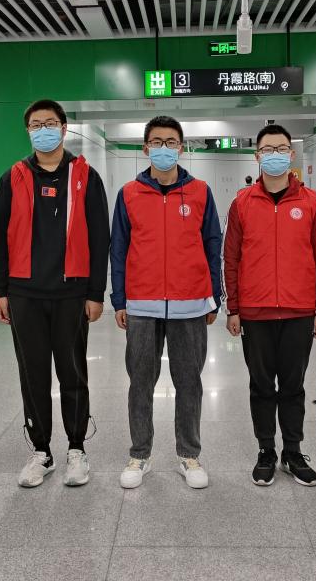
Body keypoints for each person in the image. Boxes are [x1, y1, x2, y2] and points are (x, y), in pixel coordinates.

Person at [0, 99, 110, 488]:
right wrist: (1, 290)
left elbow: (100, 237)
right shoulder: (13, 177)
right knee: (33, 375)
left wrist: (96, 292)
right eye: (36, 124)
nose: (44, 129)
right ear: (28, 131)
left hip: (72, 293)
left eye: (50, 123)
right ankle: (41, 451)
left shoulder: (85, 176)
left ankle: (77, 448)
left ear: (63, 128)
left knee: (73, 373)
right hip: (24, 294)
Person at [111, 115, 222, 490]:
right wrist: (119, 299)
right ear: (146, 148)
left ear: (181, 147)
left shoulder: (201, 191)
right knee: (140, 382)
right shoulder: (129, 194)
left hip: (190, 302)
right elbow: (118, 248)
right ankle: (139, 454)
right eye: (157, 142)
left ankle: (189, 454)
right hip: (141, 303)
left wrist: (213, 296)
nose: (164, 148)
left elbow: (213, 245)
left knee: (189, 382)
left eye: (171, 142)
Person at [223, 124, 316, 487]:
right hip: (255, 313)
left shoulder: (311, 202)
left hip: (299, 312)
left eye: (282, 149)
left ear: (291, 154)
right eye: (268, 149)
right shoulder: (242, 203)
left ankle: (293, 452)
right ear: (257, 156)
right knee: (260, 386)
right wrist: (234, 308)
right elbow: (231, 259)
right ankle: (266, 450)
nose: (275, 155)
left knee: (293, 386)